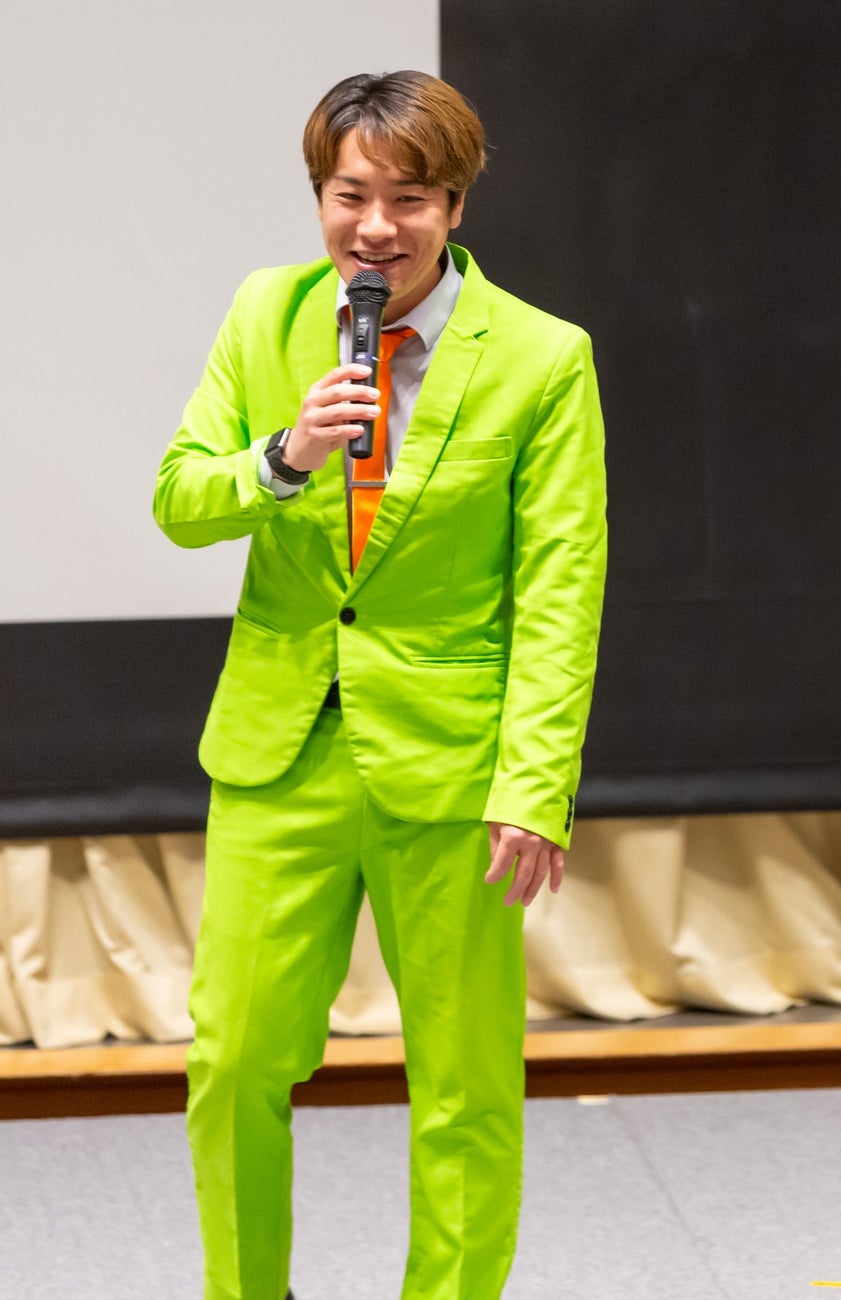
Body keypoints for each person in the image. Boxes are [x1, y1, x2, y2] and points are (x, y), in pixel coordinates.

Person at [153, 70, 607, 1299]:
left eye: (409, 198)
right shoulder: (268, 313)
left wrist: (536, 784)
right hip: (281, 752)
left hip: (456, 773)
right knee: (232, 1059)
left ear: (455, 206)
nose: (376, 227)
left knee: (464, 1086)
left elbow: (560, 588)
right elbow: (180, 498)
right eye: (351, 195)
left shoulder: (542, 358)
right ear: (321, 198)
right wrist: (284, 456)